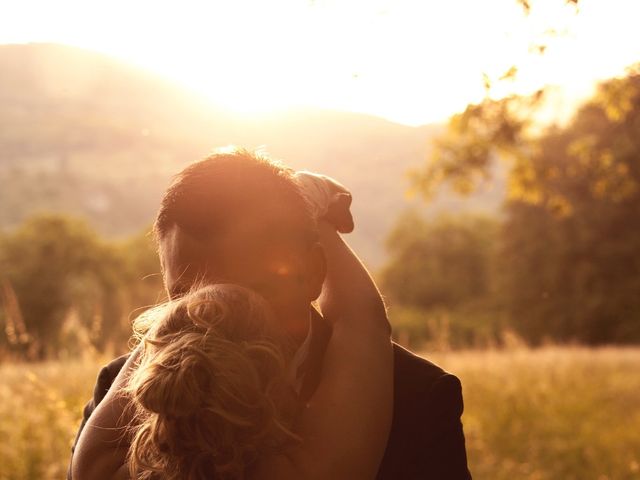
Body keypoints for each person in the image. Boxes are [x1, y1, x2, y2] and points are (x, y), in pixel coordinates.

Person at [68, 149, 472, 479]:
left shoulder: (421, 396)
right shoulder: (327, 459)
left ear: (314, 272)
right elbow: (362, 316)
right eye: (188, 300)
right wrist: (311, 205)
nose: (211, 318)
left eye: (249, 292)